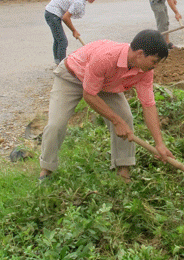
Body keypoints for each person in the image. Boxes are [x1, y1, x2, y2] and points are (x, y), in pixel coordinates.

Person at [38, 30, 175, 183]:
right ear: (140, 54)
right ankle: (47, 169)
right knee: (55, 125)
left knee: (125, 117)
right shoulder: (106, 58)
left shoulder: (144, 71)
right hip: (72, 76)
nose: (154, 67)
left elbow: (149, 105)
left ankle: (123, 169)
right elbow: (89, 95)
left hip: (106, 83)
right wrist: (115, 121)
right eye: (154, 61)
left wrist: (159, 144)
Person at [44, 0, 101, 65]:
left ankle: (58, 63)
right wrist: (74, 31)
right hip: (52, 13)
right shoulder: (79, 1)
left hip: (50, 11)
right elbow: (65, 18)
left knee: (58, 40)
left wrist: (59, 1)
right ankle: (62, 67)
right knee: (63, 42)